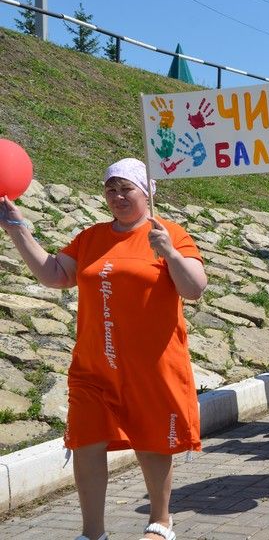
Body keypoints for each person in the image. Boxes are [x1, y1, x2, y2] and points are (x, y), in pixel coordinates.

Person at [0, 158, 207, 540]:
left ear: (146, 193)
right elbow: (54, 275)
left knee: (152, 441)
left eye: (126, 188)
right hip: (94, 365)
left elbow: (194, 289)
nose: (117, 196)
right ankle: (92, 532)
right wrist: (16, 227)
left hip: (152, 365)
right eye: (111, 188)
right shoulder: (91, 237)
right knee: (86, 441)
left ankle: (161, 521)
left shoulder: (171, 233)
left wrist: (170, 253)